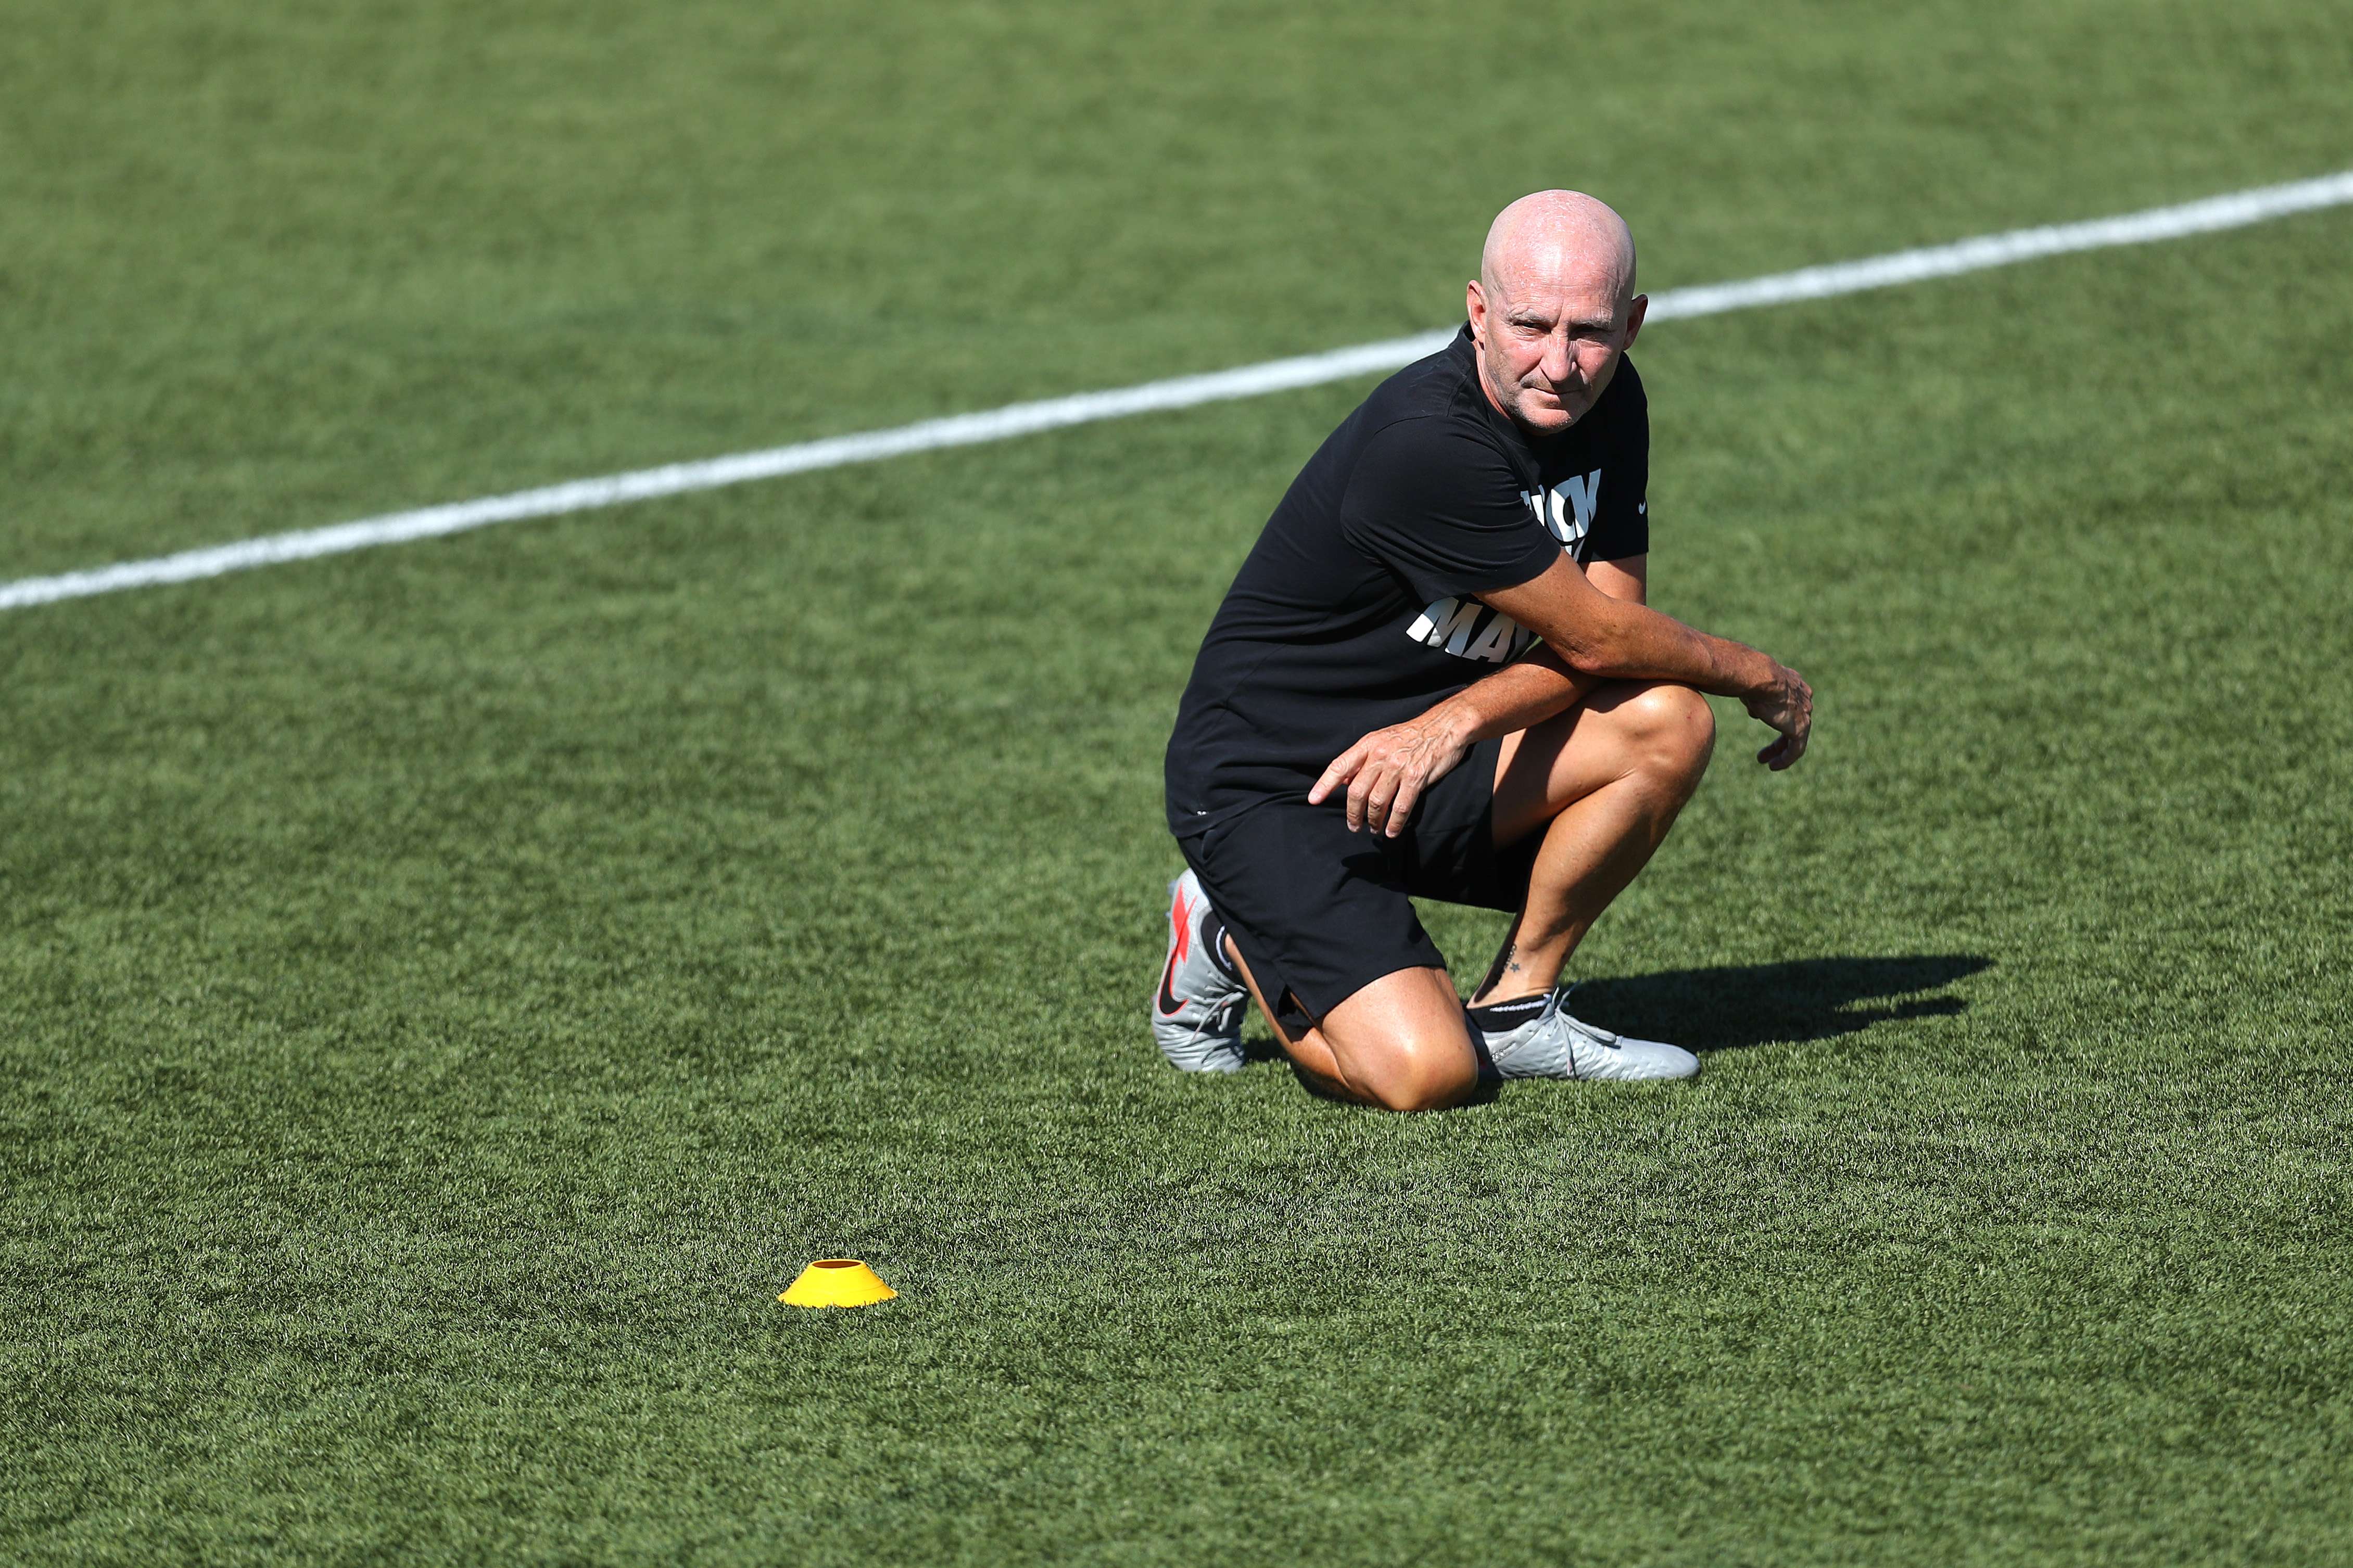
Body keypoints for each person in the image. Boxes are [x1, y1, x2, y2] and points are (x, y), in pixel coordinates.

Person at [1152, 190, 1813, 1111]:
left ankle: (1517, 1006)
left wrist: (1451, 722)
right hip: (1274, 782)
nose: (1560, 363)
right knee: (1428, 1074)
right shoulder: (1427, 445)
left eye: (1590, 332)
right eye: (1531, 325)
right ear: (1478, 312)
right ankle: (1228, 925)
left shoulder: (1613, 400)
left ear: (1632, 324)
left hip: (1429, 751)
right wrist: (1759, 674)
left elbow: (1611, 632)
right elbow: (1600, 636)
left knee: (1667, 722)